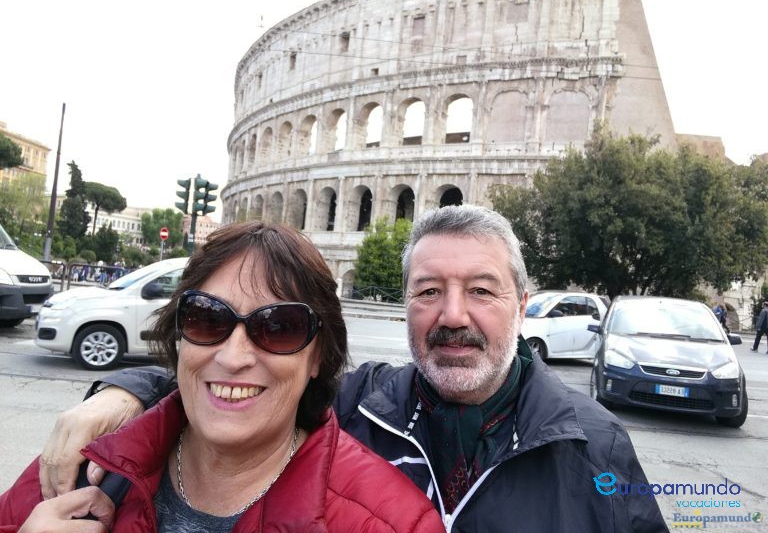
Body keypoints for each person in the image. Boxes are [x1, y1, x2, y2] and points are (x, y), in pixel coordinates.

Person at [33, 206, 668, 532]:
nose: (452, 316)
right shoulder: (360, 402)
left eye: (480, 290)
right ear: (405, 307)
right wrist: (125, 392)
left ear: (522, 305)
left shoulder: (596, 447)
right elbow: (247, 378)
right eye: (427, 292)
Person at [0, 222, 443, 533]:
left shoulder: (393, 521)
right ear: (180, 336)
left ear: (317, 358)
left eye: (278, 327)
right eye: (207, 319)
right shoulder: (79, 462)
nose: (233, 357)